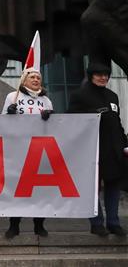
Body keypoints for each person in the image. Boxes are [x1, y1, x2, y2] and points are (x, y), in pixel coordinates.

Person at [68, 63, 127, 237]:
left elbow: (117, 122)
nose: (103, 78)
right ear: (91, 76)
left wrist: (124, 143)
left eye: (106, 75)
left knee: (113, 187)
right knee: (92, 189)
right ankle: (96, 222)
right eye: (99, 74)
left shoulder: (113, 95)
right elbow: (72, 121)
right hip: (92, 150)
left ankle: (113, 222)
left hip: (114, 150)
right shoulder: (79, 95)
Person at [2, 68, 53, 238]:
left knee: (39, 189)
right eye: (32, 77)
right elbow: (2, 121)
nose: (36, 79)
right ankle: (14, 225)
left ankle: (39, 225)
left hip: (39, 148)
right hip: (18, 149)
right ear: (24, 80)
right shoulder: (12, 96)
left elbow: (56, 124)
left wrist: (49, 116)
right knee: (17, 188)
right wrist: (9, 113)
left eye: (38, 77)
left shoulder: (46, 100)